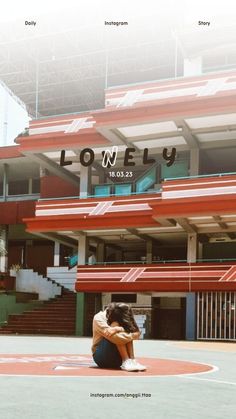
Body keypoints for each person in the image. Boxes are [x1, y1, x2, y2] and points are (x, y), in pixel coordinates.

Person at [92, 302, 146, 371]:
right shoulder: (99, 318)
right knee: (117, 326)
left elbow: (137, 332)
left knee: (126, 329)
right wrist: (129, 333)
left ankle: (132, 360)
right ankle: (126, 360)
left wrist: (119, 329)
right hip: (102, 357)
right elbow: (116, 338)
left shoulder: (122, 313)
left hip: (117, 358)